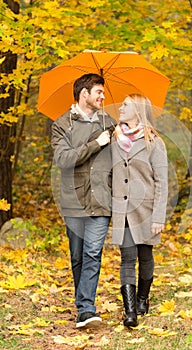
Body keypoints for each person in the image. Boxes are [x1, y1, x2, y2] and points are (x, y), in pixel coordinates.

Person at [51, 73, 116, 329]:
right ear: (84, 93)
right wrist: (95, 143)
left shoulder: (109, 122)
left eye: (103, 92)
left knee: (92, 252)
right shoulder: (61, 124)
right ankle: (83, 305)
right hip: (74, 200)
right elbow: (63, 160)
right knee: (77, 256)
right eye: (98, 92)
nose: (102, 97)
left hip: (101, 199)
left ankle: (87, 309)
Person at [111, 94, 168, 327]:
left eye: (126, 105)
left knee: (145, 256)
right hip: (122, 210)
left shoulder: (154, 142)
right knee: (127, 258)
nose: (121, 108)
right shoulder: (114, 139)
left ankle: (143, 298)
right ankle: (130, 311)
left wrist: (158, 217)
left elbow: (162, 182)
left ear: (138, 110)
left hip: (146, 209)